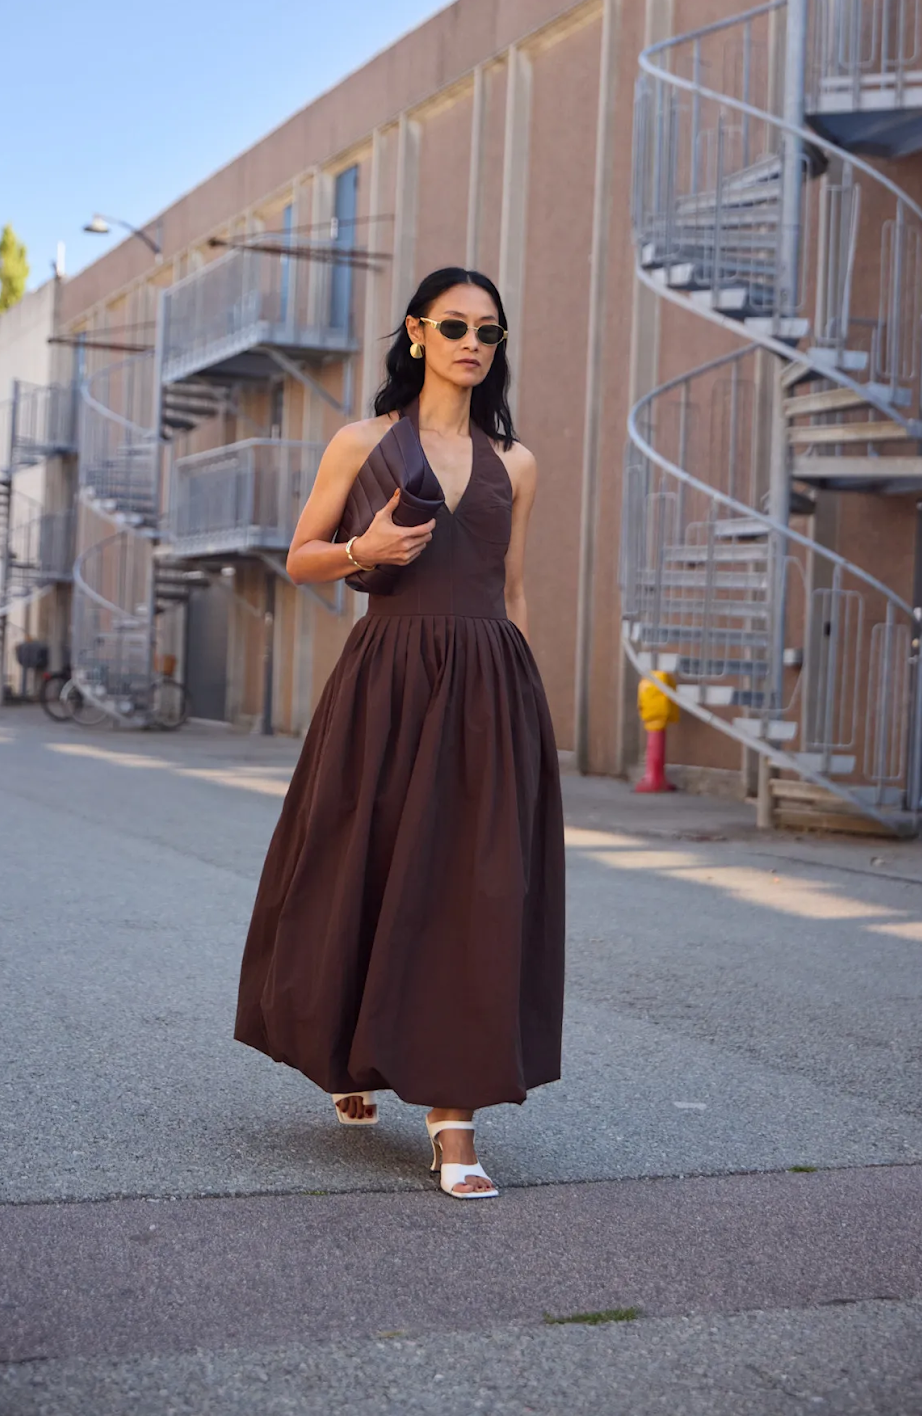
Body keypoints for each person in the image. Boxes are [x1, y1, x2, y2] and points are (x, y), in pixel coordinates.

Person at [235, 265, 565, 1199]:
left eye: (488, 331)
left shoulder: (517, 463)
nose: (472, 343)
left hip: (487, 690)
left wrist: (525, 708)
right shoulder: (361, 442)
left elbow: (511, 589)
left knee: (472, 898)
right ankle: (348, 1049)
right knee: (361, 871)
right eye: (454, 326)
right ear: (416, 333)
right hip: (385, 680)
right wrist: (363, 550)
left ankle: (454, 1122)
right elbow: (302, 558)